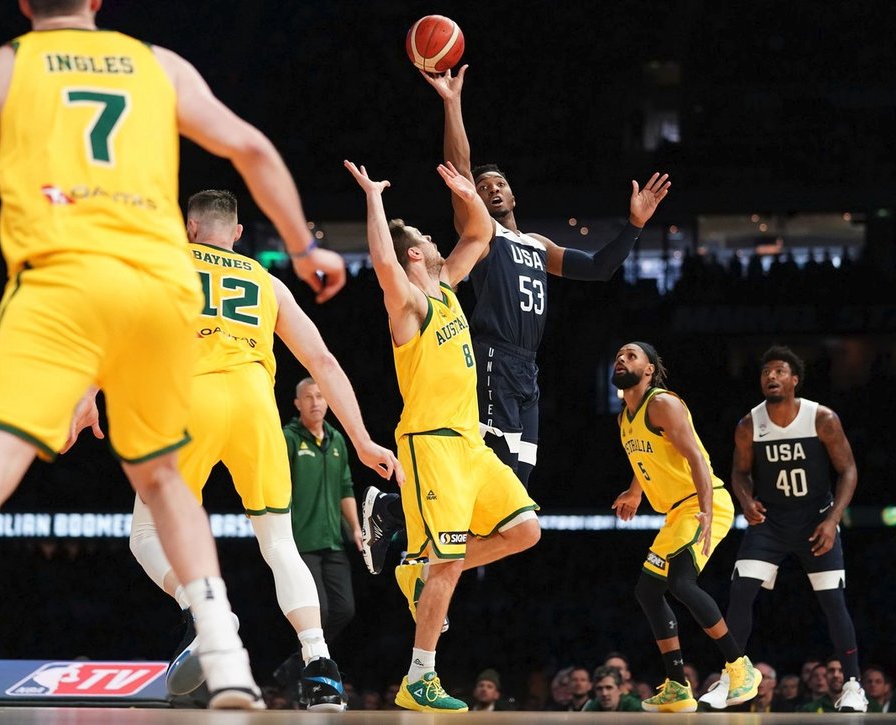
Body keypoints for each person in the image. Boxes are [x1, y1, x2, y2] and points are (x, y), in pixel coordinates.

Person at [0, 0, 344, 710]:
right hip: (165, 304)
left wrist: (82, 384)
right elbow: (252, 149)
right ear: (96, 2)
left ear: (22, 6)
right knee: (168, 484)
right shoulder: (157, 64)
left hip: (66, 281)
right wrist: (304, 244)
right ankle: (234, 663)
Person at [357, 66, 671, 575]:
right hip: (491, 357)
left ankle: (416, 536)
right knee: (477, 466)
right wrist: (452, 104)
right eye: (484, 185)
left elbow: (600, 267)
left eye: (500, 183)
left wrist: (634, 225)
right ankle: (408, 529)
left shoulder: (537, 246)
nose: (493, 188)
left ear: (515, 195)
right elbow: (458, 166)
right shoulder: (483, 240)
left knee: (515, 492)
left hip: (527, 370)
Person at [125, 191, 400, 711]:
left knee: (145, 533)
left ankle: (208, 614)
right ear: (235, 234)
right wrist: (362, 439)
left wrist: (88, 396)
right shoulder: (265, 281)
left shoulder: (167, 260)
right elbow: (321, 359)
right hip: (256, 404)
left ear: (189, 228)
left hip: (191, 399)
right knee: (279, 545)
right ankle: (320, 669)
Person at [344, 159, 540, 713]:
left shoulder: (449, 285)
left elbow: (479, 233)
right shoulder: (408, 305)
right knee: (450, 563)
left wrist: (466, 194)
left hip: (471, 446)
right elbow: (383, 260)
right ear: (415, 254)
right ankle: (420, 677)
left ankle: (416, 566)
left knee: (526, 532)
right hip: (430, 444)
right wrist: (374, 199)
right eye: (427, 239)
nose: (436, 239)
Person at [609, 342, 760, 713]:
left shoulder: (662, 403)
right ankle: (677, 686)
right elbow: (644, 457)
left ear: (648, 370)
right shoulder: (625, 417)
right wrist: (633, 492)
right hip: (675, 512)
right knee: (647, 590)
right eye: (619, 355)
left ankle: (741, 668)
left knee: (680, 583)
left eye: (631, 355)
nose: (621, 358)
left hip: (703, 503)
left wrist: (707, 511)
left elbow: (695, 456)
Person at [725, 345, 867, 712]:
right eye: (765, 372)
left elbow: (848, 469)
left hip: (815, 520)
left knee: (833, 602)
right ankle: (734, 677)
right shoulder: (748, 424)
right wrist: (745, 499)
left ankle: (852, 684)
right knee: (740, 593)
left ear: (794, 380)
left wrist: (833, 520)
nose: (771, 377)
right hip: (770, 523)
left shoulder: (821, 418)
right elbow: (739, 472)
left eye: (779, 372)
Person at [285, 377, 364, 643]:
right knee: (319, 611)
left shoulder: (337, 440)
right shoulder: (289, 438)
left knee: (345, 609)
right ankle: (308, 670)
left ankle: (297, 666)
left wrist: (355, 528)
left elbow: (346, 487)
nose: (315, 402)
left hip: (333, 539)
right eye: (308, 397)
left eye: (320, 396)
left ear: (328, 401)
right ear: (297, 403)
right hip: (302, 540)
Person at [800, 658, 882, 713]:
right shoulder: (810, 709)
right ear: (825, 675)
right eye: (831, 671)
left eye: (841, 670)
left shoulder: (870, 706)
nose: (836, 675)